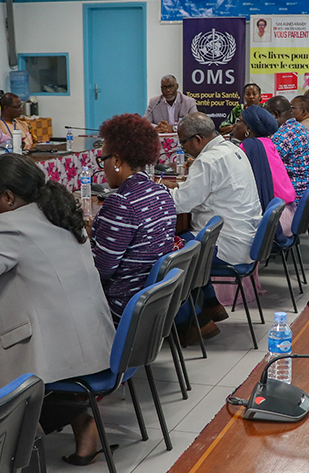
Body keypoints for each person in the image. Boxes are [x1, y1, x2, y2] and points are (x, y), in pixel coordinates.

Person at [0, 154, 116, 463]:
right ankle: (80, 418)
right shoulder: (62, 213)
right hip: (96, 345)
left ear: (8, 197)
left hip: (57, 353)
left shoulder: (8, 225)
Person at [168, 113, 261, 325]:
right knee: (190, 241)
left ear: (198, 139)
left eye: (183, 142)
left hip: (227, 246)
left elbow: (180, 204)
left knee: (173, 250)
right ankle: (211, 304)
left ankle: (193, 322)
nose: (182, 148)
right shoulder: (234, 150)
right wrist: (180, 188)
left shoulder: (208, 160)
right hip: (246, 240)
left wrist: (160, 192)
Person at [91, 113, 177, 321]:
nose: (103, 168)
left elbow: (99, 271)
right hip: (150, 303)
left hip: (120, 305)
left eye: (103, 160)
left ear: (118, 160)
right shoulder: (161, 192)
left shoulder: (121, 203)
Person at [236, 106, 296, 236]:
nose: (235, 125)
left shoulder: (249, 146)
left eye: (239, 121)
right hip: (289, 214)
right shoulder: (267, 143)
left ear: (248, 129)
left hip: (275, 220)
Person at [265, 95, 309, 203]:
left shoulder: (282, 136)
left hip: (295, 198)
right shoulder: (300, 127)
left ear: (275, 115)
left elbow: (264, 166)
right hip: (307, 194)